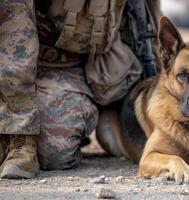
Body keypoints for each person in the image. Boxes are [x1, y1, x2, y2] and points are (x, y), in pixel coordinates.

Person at [0, 0, 160, 179]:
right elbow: (13, 56)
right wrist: (22, 132)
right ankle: (19, 140)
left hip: (84, 66)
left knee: (56, 153)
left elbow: (148, 23)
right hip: (17, 68)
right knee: (42, 153)